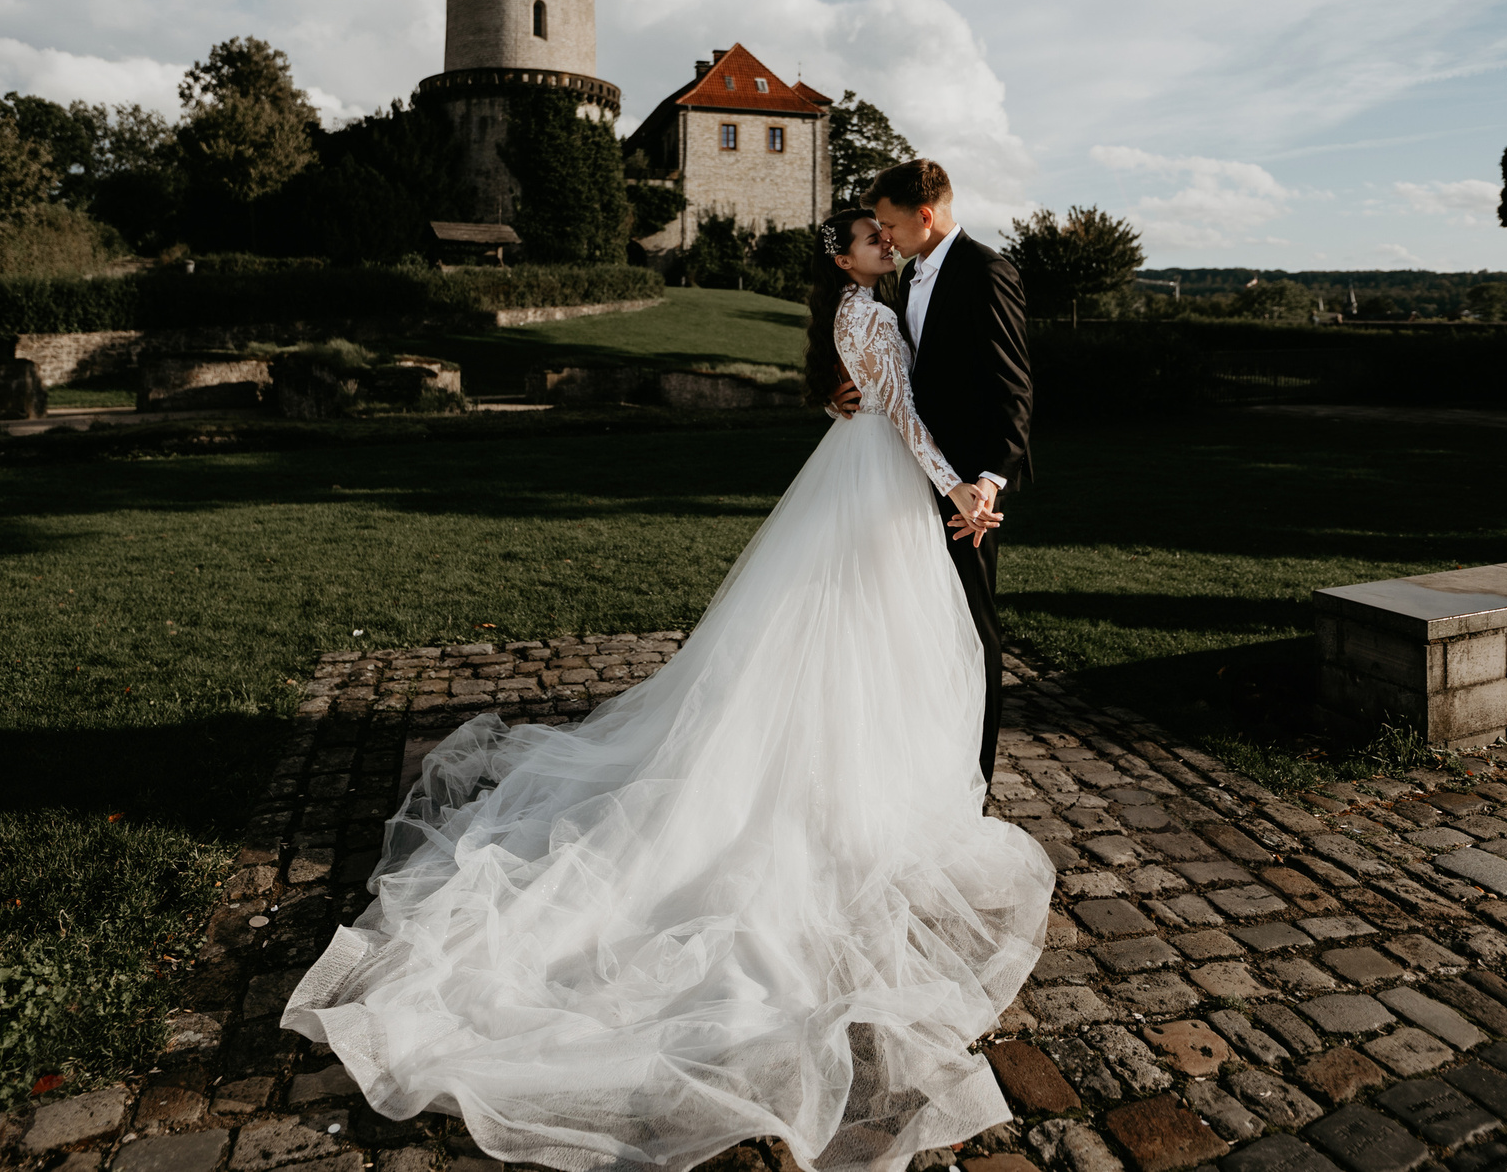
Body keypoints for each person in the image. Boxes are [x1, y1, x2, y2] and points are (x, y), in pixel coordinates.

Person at [282, 207, 1052, 1172]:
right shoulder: (866, 310)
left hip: (866, 485)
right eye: (868, 237)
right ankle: (841, 790)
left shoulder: (866, 304)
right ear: (844, 258)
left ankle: (861, 774)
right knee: (843, 642)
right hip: (885, 482)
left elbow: (873, 398)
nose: (883, 244)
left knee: (853, 643)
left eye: (883, 233)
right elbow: (899, 413)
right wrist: (959, 489)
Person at [844, 160, 1033, 787]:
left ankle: (971, 781)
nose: (885, 236)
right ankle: (920, 760)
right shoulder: (907, 276)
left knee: (972, 628)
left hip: (965, 491)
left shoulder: (984, 270)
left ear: (925, 216)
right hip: (902, 475)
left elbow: (1013, 388)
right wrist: (843, 393)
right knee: (910, 620)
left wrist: (990, 478)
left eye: (891, 224)